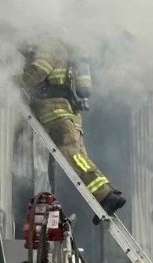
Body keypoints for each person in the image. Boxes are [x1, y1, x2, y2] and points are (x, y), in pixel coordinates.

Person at [15, 35, 125, 222]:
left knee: (73, 157)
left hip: (56, 114)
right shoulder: (64, 50)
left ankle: (105, 195)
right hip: (68, 114)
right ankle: (108, 194)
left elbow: (36, 74)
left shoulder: (48, 47)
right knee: (80, 157)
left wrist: (10, 81)